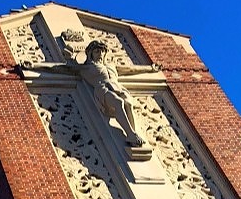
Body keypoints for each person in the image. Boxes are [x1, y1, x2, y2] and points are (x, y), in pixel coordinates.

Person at [26, 39, 160, 147]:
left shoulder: (111, 66)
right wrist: (34, 65)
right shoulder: (86, 67)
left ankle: (133, 132)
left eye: (102, 51)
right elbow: (59, 68)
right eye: (97, 51)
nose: (100, 54)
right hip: (103, 89)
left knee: (128, 104)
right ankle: (130, 134)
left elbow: (130, 69)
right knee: (118, 103)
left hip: (118, 87)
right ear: (90, 53)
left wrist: (150, 69)